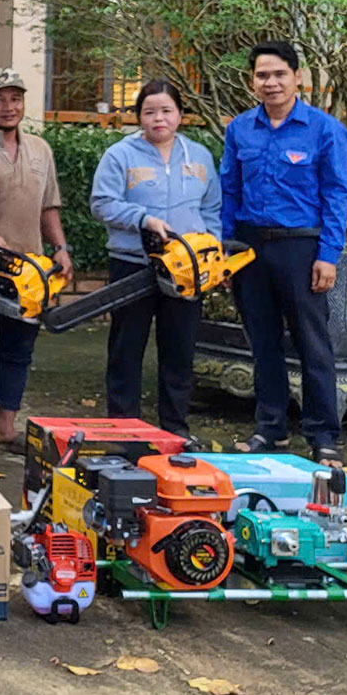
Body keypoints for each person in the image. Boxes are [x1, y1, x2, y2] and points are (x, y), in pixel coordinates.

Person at [220, 40, 347, 463]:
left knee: (313, 344)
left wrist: (328, 254)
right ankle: (270, 428)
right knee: (263, 343)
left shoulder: (325, 130)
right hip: (249, 248)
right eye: (262, 75)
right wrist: (225, 250)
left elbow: (336, 195)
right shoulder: (239, 129)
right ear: (252, 81)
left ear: (298, 77)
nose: (271, 82)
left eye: (279, 74)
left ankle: (323, 434)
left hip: (302, 248)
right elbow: (228, 192)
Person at [90, 79, 221, 438]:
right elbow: (102, 203)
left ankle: (175, 431)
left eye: (166, 111)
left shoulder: (200, 156)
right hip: (133, 263)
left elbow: (212, 209)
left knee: (179, 350)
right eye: (149, 112)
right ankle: (122, 429)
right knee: (126, 348)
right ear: (138, 117)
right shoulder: (120, 155)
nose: (158, 119)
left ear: (180, 115)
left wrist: (213, 253)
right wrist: (143, 220)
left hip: (186, 270)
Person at [0, 68, 71, 461]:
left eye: (15, 99)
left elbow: (48, 205)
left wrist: (60, 248)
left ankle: (6, 426)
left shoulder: (41, 149)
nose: (9, 107)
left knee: (18, 350)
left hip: (30, 273)